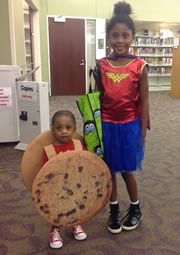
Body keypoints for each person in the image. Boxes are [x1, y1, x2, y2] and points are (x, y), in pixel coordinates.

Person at [95, 1, 149, 234]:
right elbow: (95, 99)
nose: (120, 40)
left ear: (132, 37)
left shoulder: (139, 66)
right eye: (115, 35)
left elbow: (144, 101)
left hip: (129, 127)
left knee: (127, 170)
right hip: (106, 125)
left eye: (125, 35)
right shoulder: (101, 65)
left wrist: (143, 132)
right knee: (109, 171)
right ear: (108, 38)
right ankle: (114, 210)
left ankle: (135, 208)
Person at [42, 110, 87, 249]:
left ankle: (75, 224)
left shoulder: (79, 146)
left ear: (74, 129)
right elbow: (44, 172)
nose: (64, 132)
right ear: (52, 129)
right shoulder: (49, 150)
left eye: (68, 128)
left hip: (76, 186)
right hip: (57, 188)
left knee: (75, 206)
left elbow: (88, 164)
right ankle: (55, 231)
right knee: (57, 210)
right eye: (59, 128)